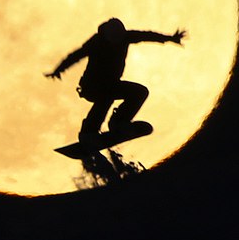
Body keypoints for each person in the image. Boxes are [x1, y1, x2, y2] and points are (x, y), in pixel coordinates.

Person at [44, 18, 186, 146]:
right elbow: (76, 55)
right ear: (107, 36)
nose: (117, 42)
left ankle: (119, 122)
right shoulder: (96, 42)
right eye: (114, 39)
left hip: (112, 85)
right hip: (91, 86)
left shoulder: (126, 36)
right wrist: (58, 69)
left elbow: (146, 35)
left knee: (140, 92)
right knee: (106, 96)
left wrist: (170, 38)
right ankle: (88, 132)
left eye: (119, 38)